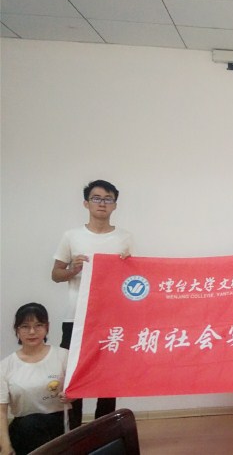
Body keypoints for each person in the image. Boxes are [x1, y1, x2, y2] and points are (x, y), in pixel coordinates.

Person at [51, 179, 133, 429]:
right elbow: (55, 274)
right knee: (74, 376)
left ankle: (103, 432)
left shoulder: (125, 238)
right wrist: (73, 269)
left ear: (115, 205)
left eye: (108, 199)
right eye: (96, 198)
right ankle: (75, 433)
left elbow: (132, 282)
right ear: (86, 203)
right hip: (76, 317)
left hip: (111, 320)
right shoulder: (71, 236)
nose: (102, 203)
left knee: (107, 378)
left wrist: (129, 266)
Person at [1, 303, 71, 455]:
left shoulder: (63, 356)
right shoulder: (5, 365)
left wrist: (72, 396)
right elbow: (1, 411)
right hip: (23, 428)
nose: (32, 332)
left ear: (47, 327)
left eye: (38, 325)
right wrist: (5, 446)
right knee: (29, 426)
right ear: (17, 329)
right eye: (25, 326)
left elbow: (77, 389)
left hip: (58, 424)